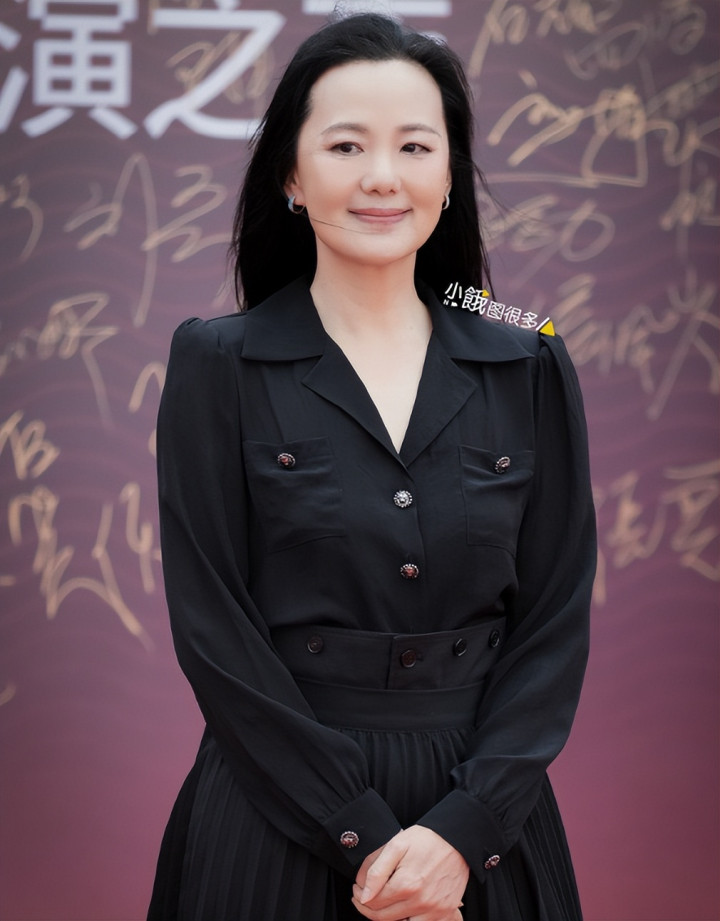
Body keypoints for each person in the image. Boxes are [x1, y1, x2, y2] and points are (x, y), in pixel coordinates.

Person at [147, 12, 596, 921]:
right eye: (346, 145)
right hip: (276, 818)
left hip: (483, 828)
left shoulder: (529, 356)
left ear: (449, 174)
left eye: (415, 147)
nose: (383, 176)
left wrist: (461, 833)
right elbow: (214, 631)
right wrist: (362, 835)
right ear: (291, 173)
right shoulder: (219, 360)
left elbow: (553, 624)